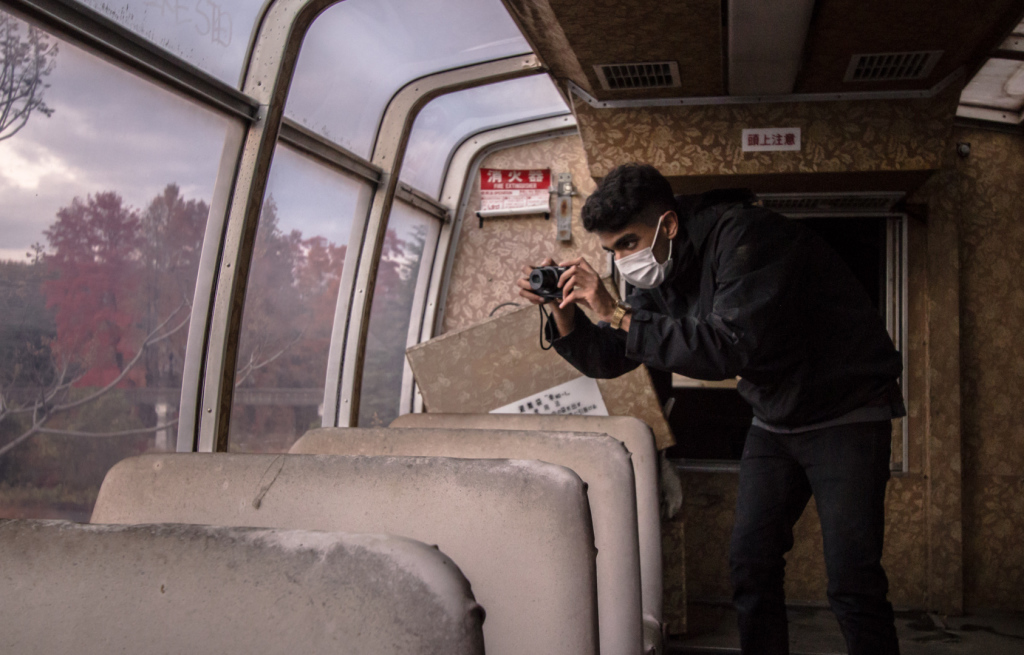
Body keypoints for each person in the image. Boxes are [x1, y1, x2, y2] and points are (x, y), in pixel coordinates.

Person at [517, 163, 905, 655]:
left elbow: (729, 347)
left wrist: (615, 311)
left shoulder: (749, 235)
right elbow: (616, 355)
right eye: (612, 250)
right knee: (751, 563)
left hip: (846, 413)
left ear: (669, 225)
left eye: (628, 243)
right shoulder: (657, 270)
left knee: (852, 578)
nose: (622, 260)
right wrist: (565, 313)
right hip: (776, 418)